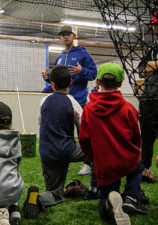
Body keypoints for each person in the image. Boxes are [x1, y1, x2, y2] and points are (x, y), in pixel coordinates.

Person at [23, 66, 97, 220]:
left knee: (54, 193)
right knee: (97, 151)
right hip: (67, 149)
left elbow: (40, 123)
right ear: (71, 82)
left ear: (52, 84)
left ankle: (38, 198)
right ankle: (94, 189)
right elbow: (84, 128)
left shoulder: (43, 101)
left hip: (46, 152)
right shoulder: (74, 103)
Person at [79, 63, 148, 225]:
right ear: (120, 83)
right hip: (127, 160)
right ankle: (131, 195)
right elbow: (137, 138)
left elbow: (84, 139)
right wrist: (133, 153)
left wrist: (94, 158)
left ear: (97, 81)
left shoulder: (88, 109)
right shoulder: (128, 108)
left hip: (104, 165)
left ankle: (109, 203)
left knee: (105, 196)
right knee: (138, 167)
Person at [42, 25, 97, 176]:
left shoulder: (83, 54)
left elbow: (94, 73)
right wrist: (48, 79)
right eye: (63, 34)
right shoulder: (59, 58)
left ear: (73, 36)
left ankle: (88, 163)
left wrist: (82, 71)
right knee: (64, 133)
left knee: (83, 133)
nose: (66, 37)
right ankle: (63, 159)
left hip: (79, 101)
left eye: (68, 34)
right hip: (62, 102)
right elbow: (58, 80)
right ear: (60, 38)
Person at [138, 11, 158, 183]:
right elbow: (142, 71)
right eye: (154, 25)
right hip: (147, 98)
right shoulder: (152, 47)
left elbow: (150, 67)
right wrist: (153, 65)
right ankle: (144, 169)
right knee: (146, 137)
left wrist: (153, 65)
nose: (156, 28)